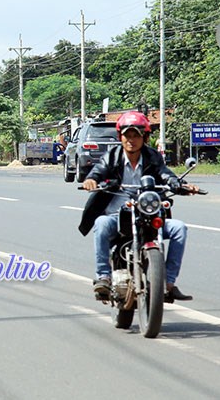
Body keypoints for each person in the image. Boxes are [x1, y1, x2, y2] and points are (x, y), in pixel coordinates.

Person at [79, 111, 199, 303]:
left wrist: (179, 185)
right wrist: (92, 180)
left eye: (137, 135)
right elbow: (98, 171)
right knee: (100, 223)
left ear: (145, 138)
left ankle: (168, 283)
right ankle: (103, 277)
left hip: (147, 214)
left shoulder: (152, 157)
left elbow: (166, 174)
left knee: (179, 228)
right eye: (127, 135)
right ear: (120, 137)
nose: (131, 140)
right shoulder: (112, 156)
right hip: (117, 217)